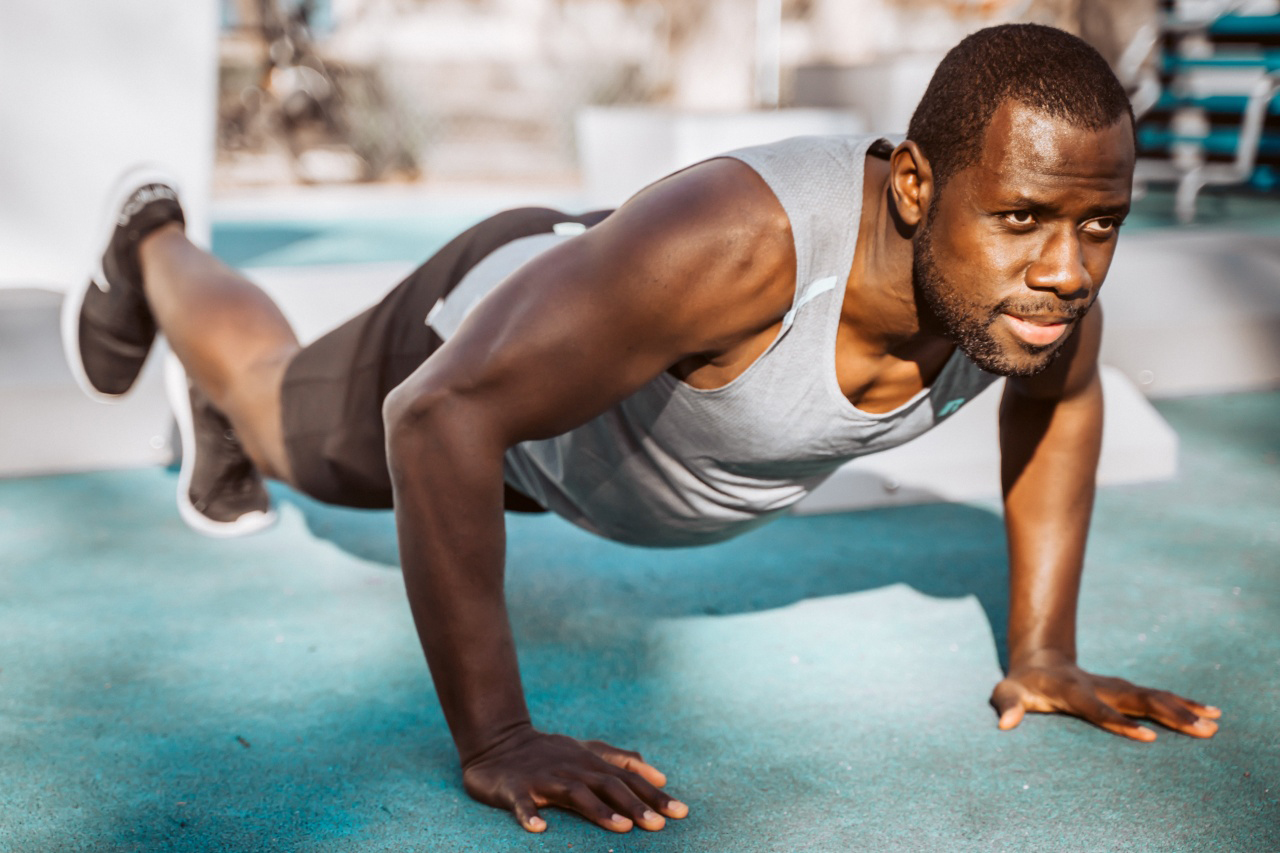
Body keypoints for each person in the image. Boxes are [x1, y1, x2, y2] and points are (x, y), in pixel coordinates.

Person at [65, 24, 1221, 836]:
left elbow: (1060, 401)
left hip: (580, 441)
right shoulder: (736, 246)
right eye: (1021, 216)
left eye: (1097, 224)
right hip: (487, 361)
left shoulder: (1037, 298)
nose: (1066, 267)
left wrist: (1041, 652)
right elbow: (434, 417)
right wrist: (498, 734)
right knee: (280, 420)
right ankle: (154, 241)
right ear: (914, 185)